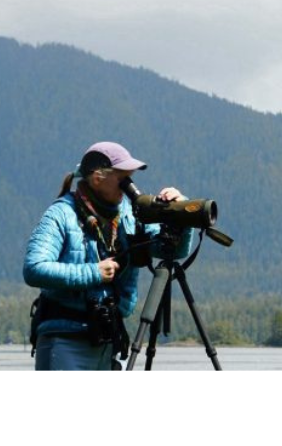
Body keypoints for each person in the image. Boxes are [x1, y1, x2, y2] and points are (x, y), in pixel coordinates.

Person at [23, 142, 193, 371]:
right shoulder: (61, 213)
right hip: (64, 341)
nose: (129, 187)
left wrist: (181, 214)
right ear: (97, 178)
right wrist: (93, 272)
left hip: (106, 338)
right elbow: (34, 269)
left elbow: (172, 250)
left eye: (130, 179)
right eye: (123, 179)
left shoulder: (128, 215)